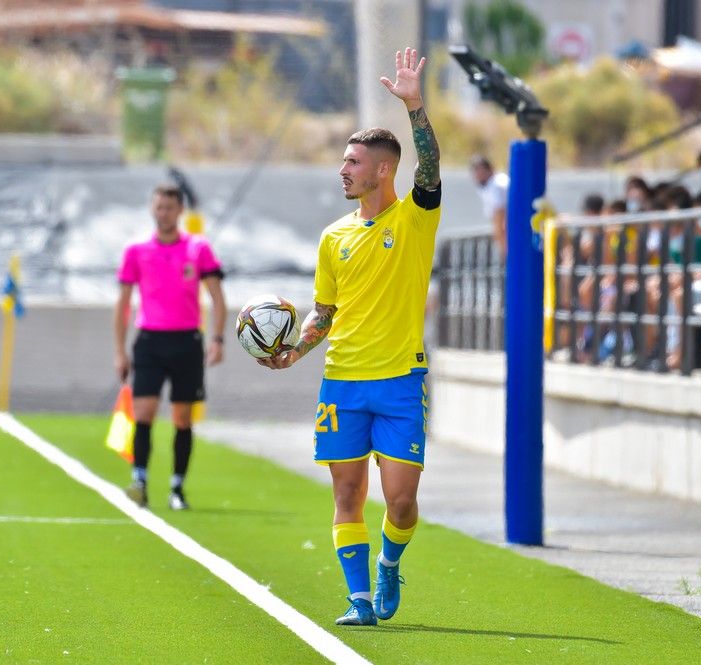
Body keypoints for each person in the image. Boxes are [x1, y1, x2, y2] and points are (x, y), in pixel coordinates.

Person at [258, 47, 440, 627]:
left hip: (400, 379)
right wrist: (294, 351)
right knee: (346, 495)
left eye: (353, 162)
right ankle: (359, 600)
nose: (343, 170)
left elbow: (431, 168)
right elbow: (323, 312)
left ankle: (390, 563)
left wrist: (415, 108)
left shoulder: (414, 218)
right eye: (343, 161)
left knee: (403, 501)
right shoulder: (332, 238)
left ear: (382, 170)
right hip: (341, 381)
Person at [114, 184, 226, 510]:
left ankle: (177, 487)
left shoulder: (197, 248)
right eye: (159, 207)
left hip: (186, 341)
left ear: (180, 211)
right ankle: (140, 480)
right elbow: (122, 303)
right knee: (144, 413)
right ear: (152, 209)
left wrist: (217, 339)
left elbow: (217, 297)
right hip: (149, 340)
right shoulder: (136, 251)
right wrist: (120, 350)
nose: (164, 213)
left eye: (169, 207)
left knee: (182, 418)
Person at [469, 155, 509, 257]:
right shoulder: (486, 185)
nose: (477, 174)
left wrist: (502, 244)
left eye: (480, 170)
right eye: (475, 171)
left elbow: (500, 213)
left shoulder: (497, 184)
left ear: (490, 169)